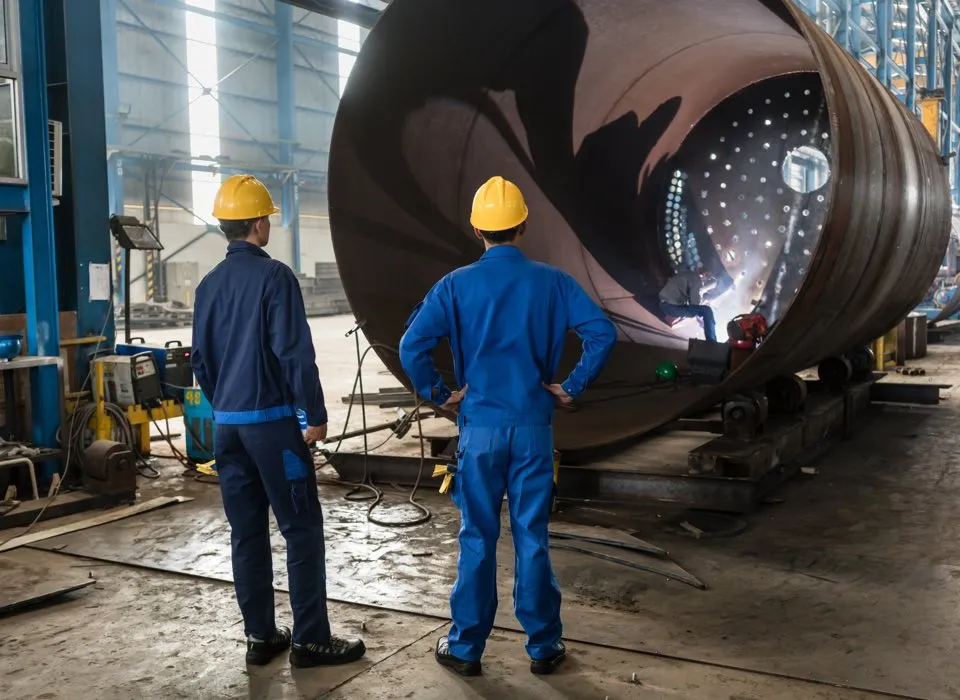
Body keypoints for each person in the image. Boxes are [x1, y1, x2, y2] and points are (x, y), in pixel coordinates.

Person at [399, 176, 617, 677]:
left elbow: (412, 345)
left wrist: (441, 395)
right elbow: (601, 333)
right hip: (533, 427)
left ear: (476, 227)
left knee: (477, 534)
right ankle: (543, 647)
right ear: (523, 225)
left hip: (479, 431)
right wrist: (570, 386)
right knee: (532, 536)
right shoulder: (555, 282)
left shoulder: (454, 285)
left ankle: (467, 648)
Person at [191, 174, 365, 668]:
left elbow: (200, 361)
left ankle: (262, 636)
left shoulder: (207, 286)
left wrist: (225, 402)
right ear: (259, 223)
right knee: (302, 529)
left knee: (246, 533)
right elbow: (294, 354)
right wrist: (314, 415)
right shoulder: (275, 278)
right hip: (272, 430)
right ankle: (310, 640)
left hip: (227, 428)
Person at [658, 267, 718, 342]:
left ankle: (669, 319)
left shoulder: (688, 274)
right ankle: (712, 343)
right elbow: (695, 304)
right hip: (670, 307)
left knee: (691, 310)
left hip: (664, 302)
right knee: (707, 311)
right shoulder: (698, 281)